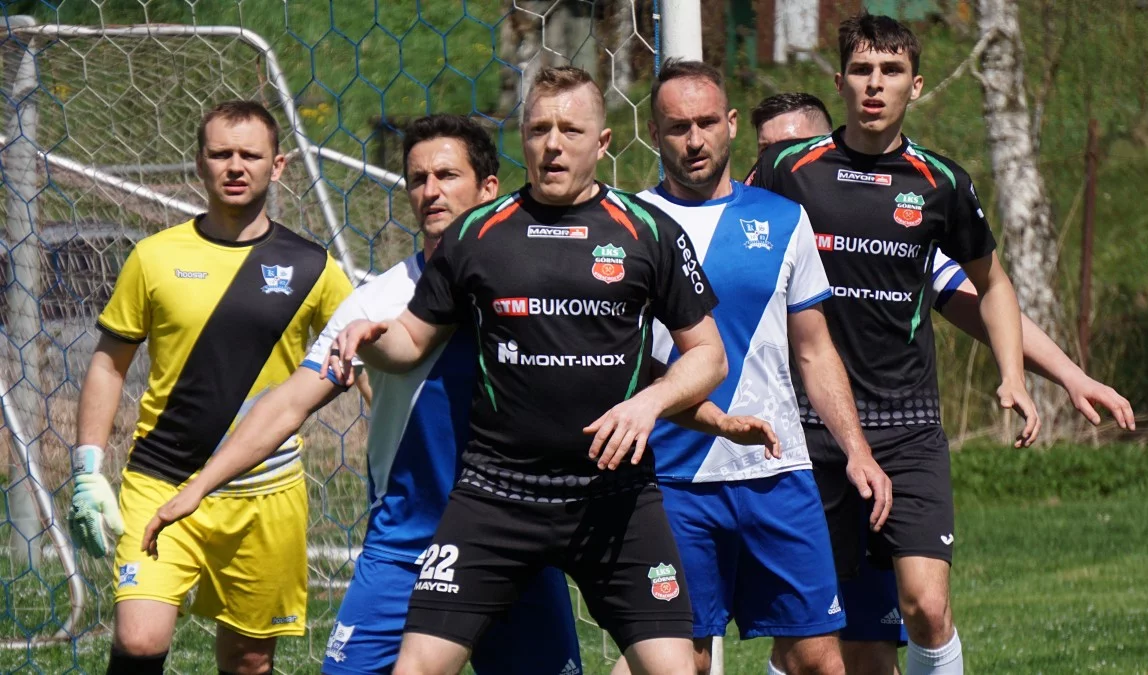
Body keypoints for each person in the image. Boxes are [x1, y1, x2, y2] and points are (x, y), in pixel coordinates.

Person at [142, 114, 586, 675]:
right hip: (407, 546)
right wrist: (200, 486)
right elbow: (289, 402)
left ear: (488, 188)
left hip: (515, 542)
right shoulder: (377, 302)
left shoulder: (539, 290)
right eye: (418, 179)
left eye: (447, 175)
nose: (431, 191)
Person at [326, 65, 730, 675]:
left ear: (603, 142)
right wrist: (370, 340)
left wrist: (647, 405)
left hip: (614, 496)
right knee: (416, 669)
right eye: (539, 129)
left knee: (676, 670)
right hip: (496, 495)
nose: (553, 144)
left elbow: (708, 356)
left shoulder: (650, 232)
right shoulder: (477, 233)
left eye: (571, 130)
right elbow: (410, 339)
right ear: (521, 137)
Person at [750, 90, 1137, 674]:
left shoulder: (889, 218)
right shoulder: (753, 235)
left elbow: (975, 299)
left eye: (790, 148)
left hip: (895, 439)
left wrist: (1070, 375)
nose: (776, 165)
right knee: (805, 644)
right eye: (764, 152)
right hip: (799, 445)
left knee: (883, 640)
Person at [751, 13, 1041, 675]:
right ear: (840, 82)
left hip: (907, 425)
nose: (875, 84)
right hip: (809, 427)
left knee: (927, 606)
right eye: (861, 70)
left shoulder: (941, 183)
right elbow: (736, 244)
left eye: (891, 70)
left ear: (917, 84)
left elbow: (993, 285)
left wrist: (1013, 374)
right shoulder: (788, 169)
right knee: (805, 639)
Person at [613, 59, 891, 675]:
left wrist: (857, 450)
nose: (694, 140)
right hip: (670, 481)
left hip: (777, 473)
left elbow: (815, 350)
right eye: (677, 127)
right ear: (653, 133)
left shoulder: (784, 219)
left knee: (819, 660)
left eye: (707, 123)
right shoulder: (628, 224)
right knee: (679, 662)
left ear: (732, 124)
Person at [69, 100, 354, 675]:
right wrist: (87, 469)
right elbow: (109, 365)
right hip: (161, 477)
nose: (235, 166)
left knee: (248, 660)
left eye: (251, 155)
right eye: (221, 153)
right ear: (199, 163)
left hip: (266, 493)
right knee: (139, 639)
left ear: (278, 166)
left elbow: (367, 360)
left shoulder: (314, 268)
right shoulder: (154, 257)